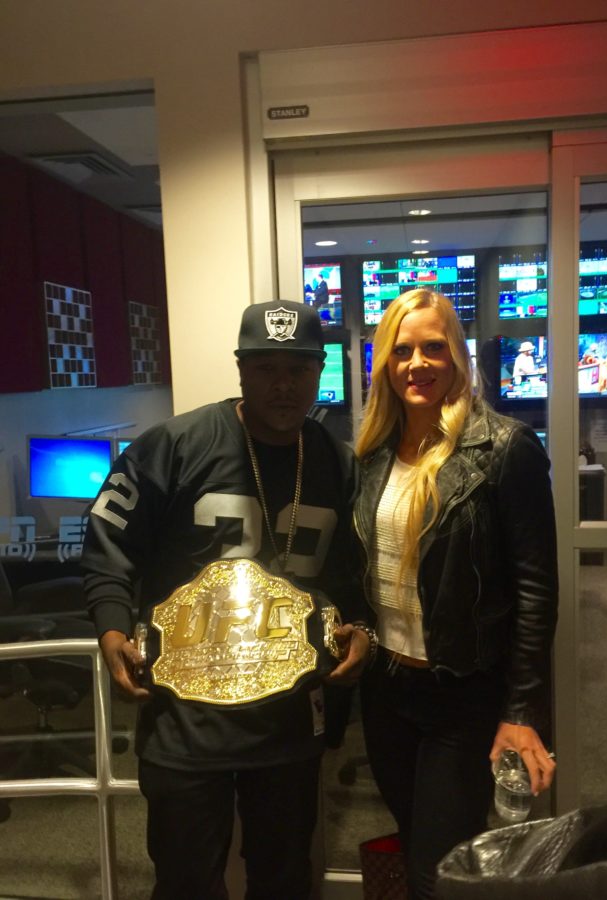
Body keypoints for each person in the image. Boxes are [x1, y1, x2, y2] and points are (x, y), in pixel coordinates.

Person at [81, 300, 371, 900]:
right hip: (185, 717)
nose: (284, 384)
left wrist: (359, 626)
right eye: (266, 367)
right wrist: (112, 629)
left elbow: (355, 574)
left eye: (300, 367)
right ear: (240, 369)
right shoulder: (174, 446)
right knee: (186, 880)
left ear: (321, 370)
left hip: (289, 714)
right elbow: (108, 542)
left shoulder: (339, 464)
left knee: (286, 877)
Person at [353, 289, 558, 900]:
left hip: (462, 693)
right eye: (402, 350)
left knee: (436, 874)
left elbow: (535, 589)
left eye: (434, 347)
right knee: (416, 838)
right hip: (387, 690)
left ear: (458, 356)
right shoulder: (371, 455)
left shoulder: (506, 448)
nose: (418, 363)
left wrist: (521, 713)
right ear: (385, 365)